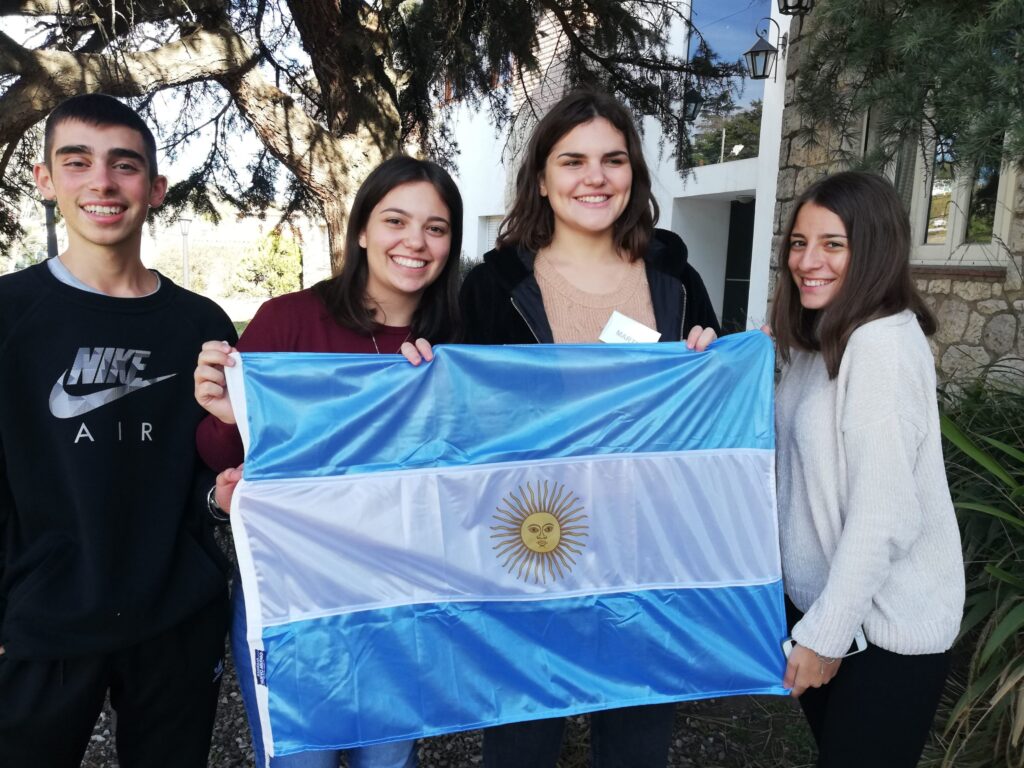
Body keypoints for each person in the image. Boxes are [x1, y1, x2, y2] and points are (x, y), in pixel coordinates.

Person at [459, 89, 720, 768]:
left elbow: (710, 406)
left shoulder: (676, 277)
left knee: (636, 746)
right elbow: (462, 420)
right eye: (572, 161)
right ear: (541, 179)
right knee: (520, 743)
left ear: (633, 173)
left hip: (647, 549)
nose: (595, 177)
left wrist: (711, 360)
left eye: (613, 159)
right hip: (529, 549)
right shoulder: (492, 288)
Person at [193, 154, 463, 768]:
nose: (416, 242)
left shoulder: (459, 338)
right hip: (294, 597)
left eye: (437, 228)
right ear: (362, 229)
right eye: (396, 220)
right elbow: (217, 452)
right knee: (298, 760)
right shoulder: (290, 320)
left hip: (405, 596)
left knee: (388, 762)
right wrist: (229, 414)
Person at [0, 94, 236, 767]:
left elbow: (204, 472)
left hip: (175, 619)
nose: (101, 182)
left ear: (156, 188)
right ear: (46, 180)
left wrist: (220, 496)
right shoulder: (9, 315)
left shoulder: (201, 323)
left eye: (124, 165)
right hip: (43, 619)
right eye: (77, 162)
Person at [771, 171, 965, 767]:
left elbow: (884, 515)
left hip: (881, 631)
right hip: (830, 611)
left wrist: (825, 636)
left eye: (834, 244)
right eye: (799, 243)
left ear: (874, 250)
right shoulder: (819, 338)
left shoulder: (880, 347)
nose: (809, 261)